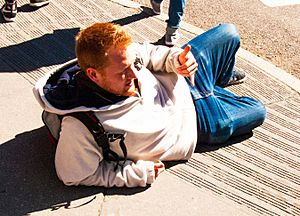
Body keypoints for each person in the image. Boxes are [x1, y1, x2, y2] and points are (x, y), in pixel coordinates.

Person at [33, 22, 266, 188]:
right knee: (257, 110)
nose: (134, 73)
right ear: (93, 74)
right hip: (199, 123)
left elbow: (151, 53)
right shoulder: (81, 124)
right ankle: (215, 85)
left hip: (183, 80)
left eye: (133, 63)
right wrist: (136, 174)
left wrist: (176, 60)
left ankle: (215, 80)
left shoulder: (119, 56)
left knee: (228, 32)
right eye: (123, 72)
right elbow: (73, 175)